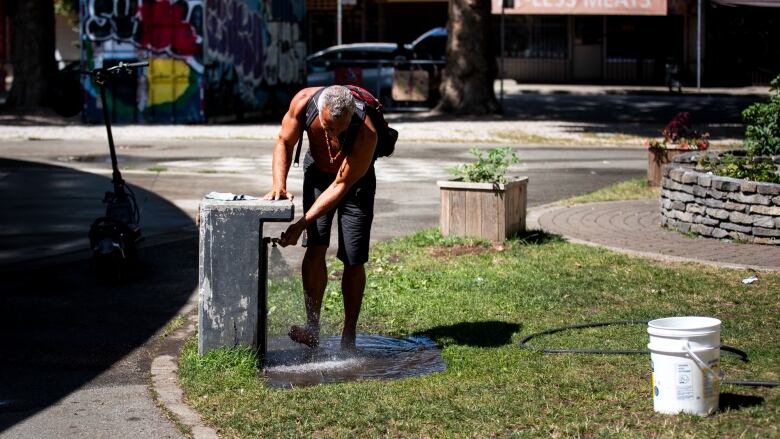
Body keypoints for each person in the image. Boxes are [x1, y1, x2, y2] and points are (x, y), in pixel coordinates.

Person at [264, 85, 378, 351]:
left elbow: (340, 186)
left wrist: (302, 222)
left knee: (353, 257)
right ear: (321, 111)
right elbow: (284, 141)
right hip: (317, 172)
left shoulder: (366, 132)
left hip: (354, 181)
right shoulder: (304, 102)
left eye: (340, 129)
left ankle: (348, 335)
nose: (333, 135)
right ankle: (312, 328)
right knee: (315, 246)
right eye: (327, 127)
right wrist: (279, 184)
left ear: (351, 116)